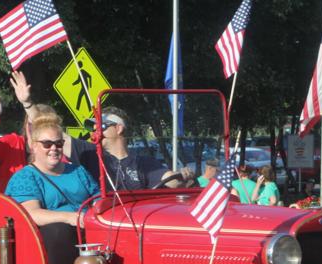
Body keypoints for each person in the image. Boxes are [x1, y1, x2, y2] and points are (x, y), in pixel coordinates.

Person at [15, 72, 191, 189]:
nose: (95, 130)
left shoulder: (143, 163)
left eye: (101, 125)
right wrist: (28, 104)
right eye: (93, 126)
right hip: (100, 231)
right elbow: (49, 129)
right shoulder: (89, 153)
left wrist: (183, 176)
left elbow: (169, 180)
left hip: (135, 225)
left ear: (119, 128)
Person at [5, 116, 100, 264]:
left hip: (88, 233)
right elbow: (32, 214)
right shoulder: (25, 176)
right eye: (47, 143)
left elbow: (99, 199)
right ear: (34, 146)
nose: (53, 148)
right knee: (58, 230)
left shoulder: (78, 171)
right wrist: (70, 217)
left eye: (58, 143)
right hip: (48, 246)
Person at [0, 71, 62, 185]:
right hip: (11, 200)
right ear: (26, 126)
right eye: (33, 125)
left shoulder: (56, 151)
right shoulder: (13, 143)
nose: (37, 132)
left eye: (44, 128)